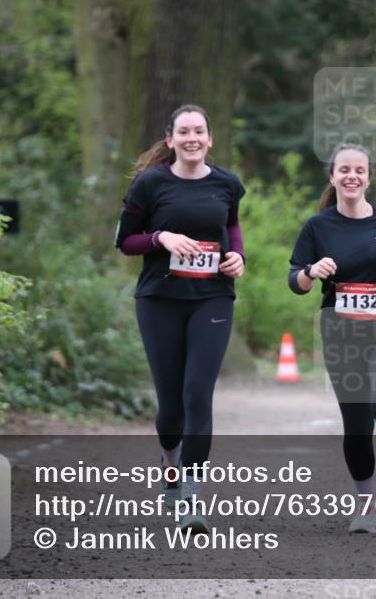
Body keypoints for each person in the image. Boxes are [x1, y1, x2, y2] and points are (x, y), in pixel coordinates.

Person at [115, 104, 245, 534]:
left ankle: (192, 498)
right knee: (171, 406)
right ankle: (170, 472)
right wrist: (160, 237)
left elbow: (232, 226)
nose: (193, 138)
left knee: (197, 395)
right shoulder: (151, 184)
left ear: (209, 139)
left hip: (212, 299)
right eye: (184, 132)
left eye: (200, 131)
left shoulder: (227, 183)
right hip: (160, 300)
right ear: (170, 140)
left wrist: (236, 258)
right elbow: (125, 241)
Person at [288, 143, 376, 534]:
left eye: (359, 170)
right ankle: (366, 507)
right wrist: (311, 271)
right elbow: (296, 281)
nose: (352, 176)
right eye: (344, 170)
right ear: (332, 177)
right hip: (341, 332)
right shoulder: (318, 226)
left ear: (368, 177)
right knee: (355, 422)